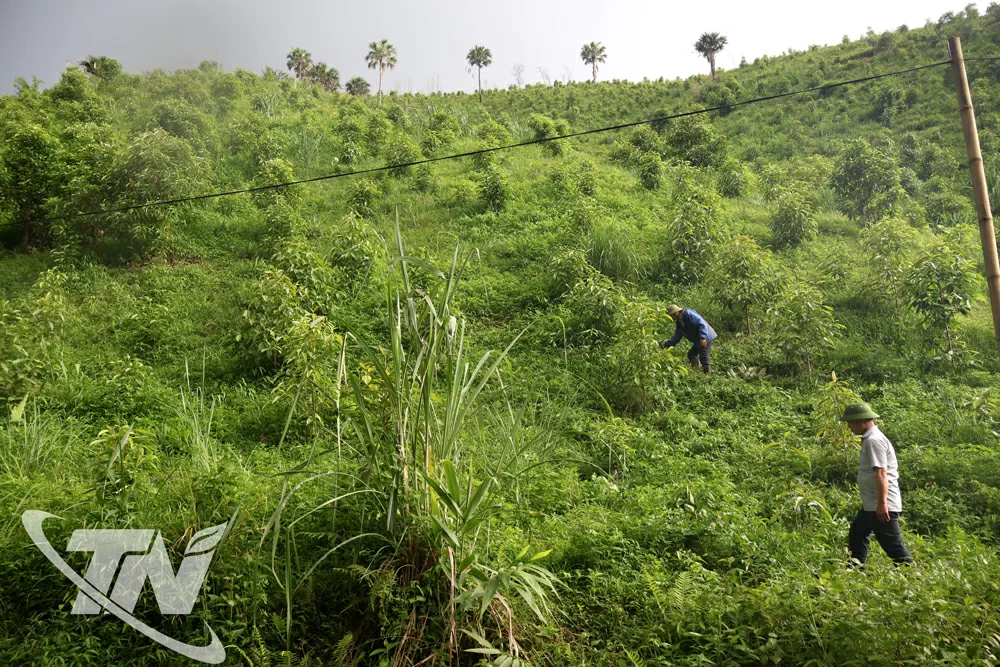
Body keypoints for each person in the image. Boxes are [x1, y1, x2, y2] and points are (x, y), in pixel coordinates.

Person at [841, 401, 913, 569]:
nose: (849, 427)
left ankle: (912, 574)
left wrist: (882, 504)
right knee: (857, 533)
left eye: (850, 423)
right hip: (872, 504)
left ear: (861, 421)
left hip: (880, 504)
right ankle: (854, 569)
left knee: (893, 546)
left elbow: (881, 472)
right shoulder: (871, 439)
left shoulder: (874, 440)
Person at [660, 304, 717, 374]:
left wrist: (703, 338)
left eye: (671, 315)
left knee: (704, 355)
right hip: (698, 338)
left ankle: (707, 374)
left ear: (676, 313)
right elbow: (677, 337)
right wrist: (666, 345)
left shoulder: (688, 314)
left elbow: (701, 324)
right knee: (691, 354)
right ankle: (696, 370)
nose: (671, 318)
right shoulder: (679, 323)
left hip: (706, 335)